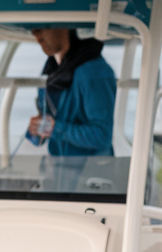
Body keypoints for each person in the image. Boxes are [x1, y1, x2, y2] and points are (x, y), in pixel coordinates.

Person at [27, 27, 117, 156]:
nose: (36, 33)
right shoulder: (51, 72)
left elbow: (102, 137)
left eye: (44, 26)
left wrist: (55, 129)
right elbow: (49, 125)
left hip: (91, 171)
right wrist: (36, 131)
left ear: (66, 26)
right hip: (61, 170)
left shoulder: (94, 72)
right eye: (33, 28)